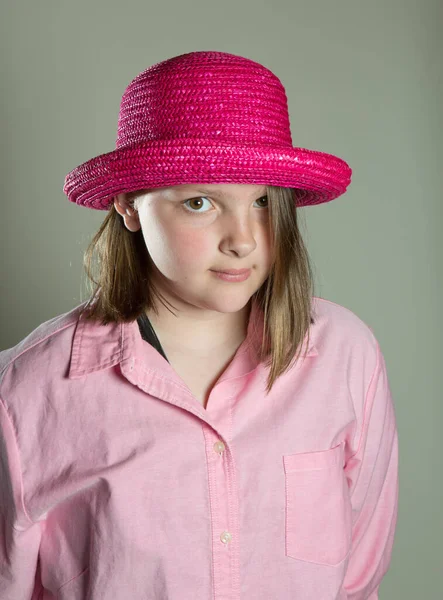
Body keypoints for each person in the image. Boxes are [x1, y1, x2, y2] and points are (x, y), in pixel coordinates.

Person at [0, 50, 399, 599]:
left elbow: (358, 580)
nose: (242, 238)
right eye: (199, 202)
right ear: (129, 206)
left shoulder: (346, 356)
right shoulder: (28, 391)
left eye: (262, 201)